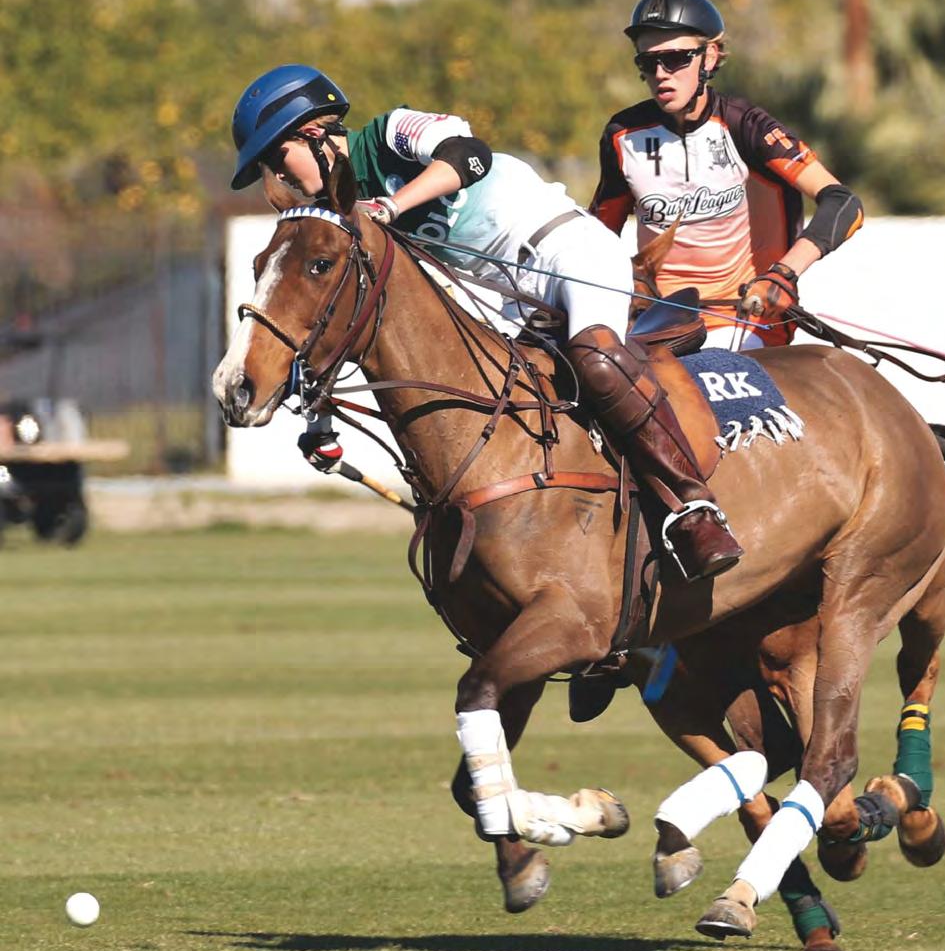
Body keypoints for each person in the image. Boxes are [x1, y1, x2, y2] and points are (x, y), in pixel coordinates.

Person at [229, 64, 743, 581]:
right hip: (505, 301)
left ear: (313, 133)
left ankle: (693, 507)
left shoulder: (387, 135)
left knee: (597, 362)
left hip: (565, 251)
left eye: (277, 158)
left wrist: (392, 205)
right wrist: (319, 424)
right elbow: (339, 322)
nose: (281, 177)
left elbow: (469, 154)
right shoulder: (337, 217)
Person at [591, 0, 865, 350]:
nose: (660, 73)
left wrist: (784, 274)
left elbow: (844, 204)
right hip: (656, 326)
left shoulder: (745, 124)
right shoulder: (622, 135)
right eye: (647, 62)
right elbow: (595, 238)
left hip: (745, 322)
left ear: (709, 57)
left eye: (675, 59)